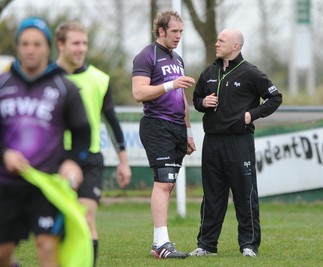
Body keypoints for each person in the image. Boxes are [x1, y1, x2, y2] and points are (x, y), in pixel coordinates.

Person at [0, 17, 91, 267]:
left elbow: (83, 133)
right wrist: (5, 154)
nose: (31, 49)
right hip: (7, 184)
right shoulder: (2, 84)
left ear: (48, 47)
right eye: (25, 43)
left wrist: (72, 162)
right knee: (3, 254)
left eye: (37, 44)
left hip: (47, 184)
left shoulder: (64, 87)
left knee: (47, 245)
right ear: (17, 46)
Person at [190, 28, 283, 257]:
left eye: (222, 40)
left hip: (239, 142)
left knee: (244, 195)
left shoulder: (250, 73)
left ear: (236, 46)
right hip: (212, 142)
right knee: (211, 196)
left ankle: (249, 245)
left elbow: (275, 97)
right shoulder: (208, 72)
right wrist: (203, 102)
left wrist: (251, 115)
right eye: (217, 39)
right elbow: (196, 99)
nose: (217, 43)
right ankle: (207, 245)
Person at [55, 21, 132, 266]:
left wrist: (124, 162)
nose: (81, 49)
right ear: (60, 45)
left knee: (86, 218)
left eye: (84, 43)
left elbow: (112, 122)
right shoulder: (45, 78)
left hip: (90, 159)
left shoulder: (100, 79)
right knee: (57, 225)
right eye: (75, 43)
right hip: (54, 159)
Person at [131, 10, 196, 259]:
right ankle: (161, 244)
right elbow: (139, 93)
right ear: (161, 31)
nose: (179, 36)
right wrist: (170, 84)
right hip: (157, 125)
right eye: (174, 31)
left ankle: (158, 242)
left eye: (181, 31)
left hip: (178, 127)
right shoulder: (147, 56)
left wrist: (188, 131)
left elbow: (181, 98)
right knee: (164, 182)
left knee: (168, 185)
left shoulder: (177, 59)